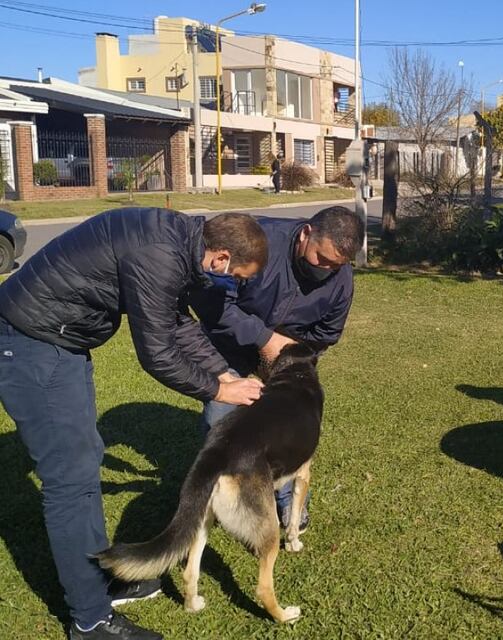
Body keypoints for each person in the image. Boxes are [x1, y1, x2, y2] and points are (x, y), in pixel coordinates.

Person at [0, 208, 268, 640]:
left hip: (60, 340)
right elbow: (157, 353)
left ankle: (101, 578)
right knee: (70, 479)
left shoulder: (179, 242)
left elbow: (176, 323)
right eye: (236, 276)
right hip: (32, 341)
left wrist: (225, 373)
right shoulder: (161, 253)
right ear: (221, 257)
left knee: (84, 463)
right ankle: (90, 620)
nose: (233, 284)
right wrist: (219, 392)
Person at [191, 205, 365, 532]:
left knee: (288, 426)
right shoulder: (259, 242)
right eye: (321, 258)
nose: (326, 270)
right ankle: (218, 492)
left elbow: (327, 333)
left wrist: (288, 354)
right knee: (220, 418)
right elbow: (215, 306)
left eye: (336, 265)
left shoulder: (341, 280)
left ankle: (286, 501)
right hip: (230, 344)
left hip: (286, 358)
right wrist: (264, 339)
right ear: (306, 234)